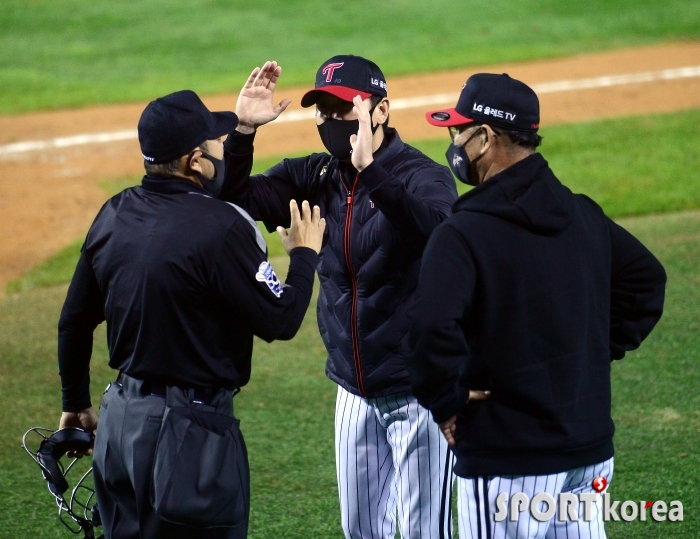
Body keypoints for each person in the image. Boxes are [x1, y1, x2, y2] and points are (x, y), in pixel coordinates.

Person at [406, 73, 667, 538]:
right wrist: (592, 352)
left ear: (485, 138)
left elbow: (429, 326)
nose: (453, 143)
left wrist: (446, 402)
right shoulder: (583, 213)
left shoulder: (463, 234)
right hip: (588, 452)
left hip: (508, 458)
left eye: (457, 132)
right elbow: (646, 282)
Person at [56, 89, 325, 539]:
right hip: (189, 433)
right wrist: (303, 256)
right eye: (217, 141)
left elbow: (75, 320)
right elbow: (280, 320)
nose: (222, 146)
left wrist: (74, 402)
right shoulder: (222, 227)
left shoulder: (114, 212)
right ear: (196, 161)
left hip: (120, 420)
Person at [222, 57, 458, 538]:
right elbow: (233, 200)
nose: (331, 122)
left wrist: (372, 173)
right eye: (323, 111)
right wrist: (243, 132)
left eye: (343, 109)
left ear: (381, 111)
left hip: (419, 392)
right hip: (352, 391)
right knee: (360, 531)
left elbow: (441, 233)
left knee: (420, 533)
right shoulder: (315, 177)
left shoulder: (421, 175)